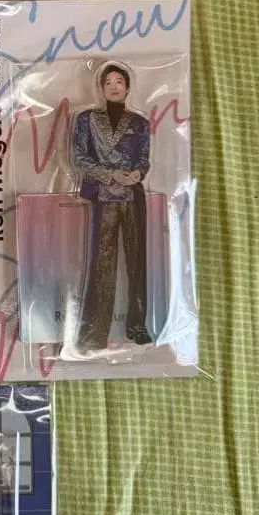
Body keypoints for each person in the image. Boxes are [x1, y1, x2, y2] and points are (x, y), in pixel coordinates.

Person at [71, 63, 153, 351]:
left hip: (132, 197)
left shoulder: (139, 122)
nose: (114, 86)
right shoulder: (86, 119)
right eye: (108, 82)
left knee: (137, 262)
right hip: (103, 197)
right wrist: (111, 174)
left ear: (128, 87)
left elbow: (144, 159)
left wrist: (138, 173)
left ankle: (137, 325)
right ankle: (95, 333)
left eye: (119, 81)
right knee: (102, 265)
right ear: (101, 88)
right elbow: (80, 158)